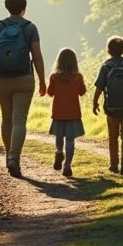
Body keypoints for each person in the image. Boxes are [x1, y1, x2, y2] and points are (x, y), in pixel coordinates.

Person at [0, 0, 45, 178]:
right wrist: (43, 80)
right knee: (19, 120)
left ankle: (8, 156)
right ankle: (14, 158)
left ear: (6, 7)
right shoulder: (30, 27)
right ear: (24, 8)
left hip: (1, 78)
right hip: (24, 78)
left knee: (7, 119)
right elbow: (37, 56)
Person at [92, 36, 123, 175]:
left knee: (113, 137)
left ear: (108, 50)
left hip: (111, 109)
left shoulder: (106, 67)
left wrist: (95, 102)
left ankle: (114, 164)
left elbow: (99, 88)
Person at [46, 48, 86, 178]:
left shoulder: (54, 76)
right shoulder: (77, 77)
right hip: (73, 113)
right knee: (70, 140)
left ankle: (58, 151)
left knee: (59, 135)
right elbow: (82, 92)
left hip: (58, 112)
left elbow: (50, 93)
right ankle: (67, 165)